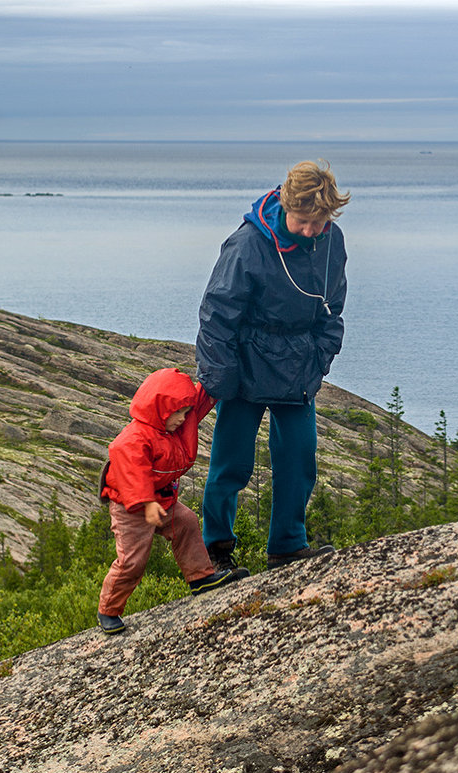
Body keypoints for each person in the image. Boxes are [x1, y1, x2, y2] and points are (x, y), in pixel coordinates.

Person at [196, 159, 350, 572]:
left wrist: (320, 357)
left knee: (299, 458)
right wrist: (219, 376)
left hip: (298, 366)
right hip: (245, 366)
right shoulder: (247, 244)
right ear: (285, 205)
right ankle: (215, 554)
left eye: (318, 223)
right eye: (303, 221)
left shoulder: (331, 244)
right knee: (231, 463)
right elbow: (217, 312)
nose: (310, 231)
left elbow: (333, 309)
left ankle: (287, 546)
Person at [97, 367, 247, 635]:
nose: (183, 418)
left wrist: (222, 372)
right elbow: (131, 470)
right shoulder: (133, 439)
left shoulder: (181, 421)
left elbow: (200, 399)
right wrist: (145, 502)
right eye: (176, 413)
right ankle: (108, 610)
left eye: (185, 412)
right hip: (131, 506)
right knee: (133, 560)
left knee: (187, 523)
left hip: (162, 500)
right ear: (159, 409)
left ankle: (201, 578)